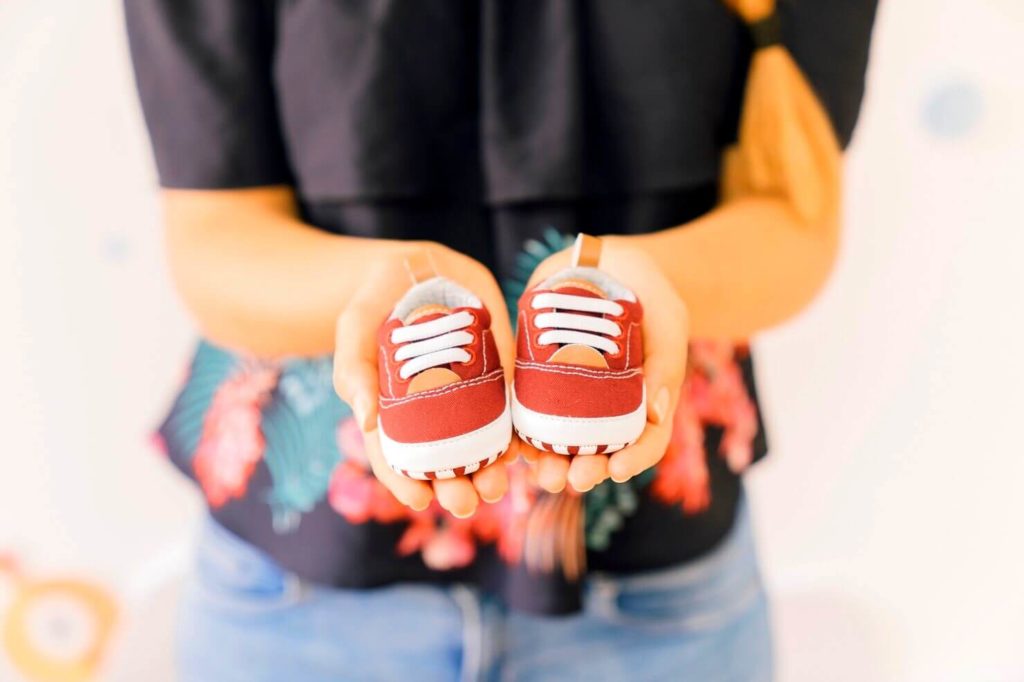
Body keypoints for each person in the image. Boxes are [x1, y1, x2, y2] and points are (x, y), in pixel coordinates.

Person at [125, 1, 876, 680]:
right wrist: (383, 286)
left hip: (657, 601)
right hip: (295, 602)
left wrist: (640, 283)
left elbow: (795, 220)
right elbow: (210, 236)